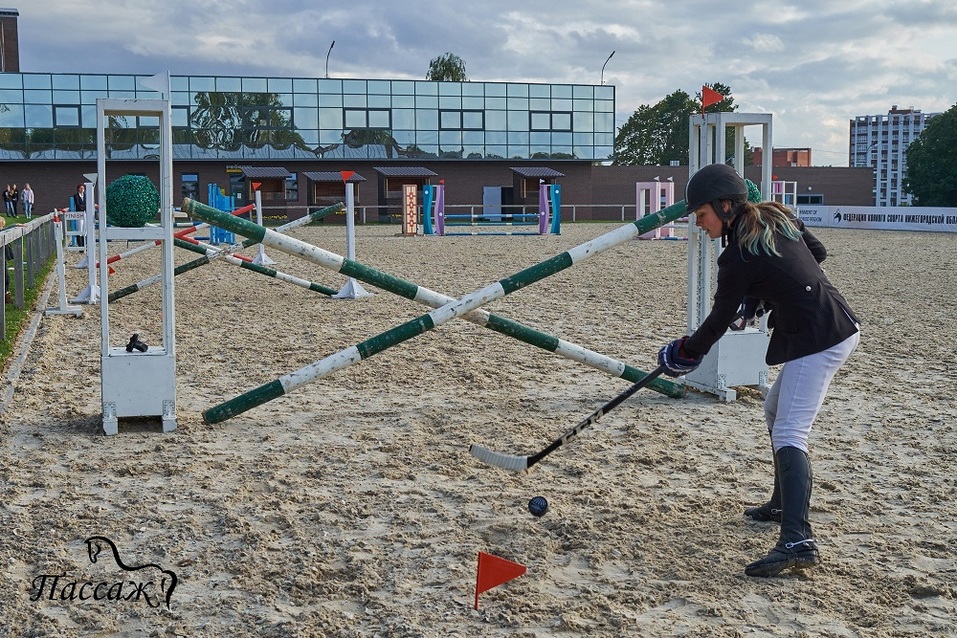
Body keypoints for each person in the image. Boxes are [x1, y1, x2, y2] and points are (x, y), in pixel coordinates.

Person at [657, 164, 860, 578]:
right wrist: (761, 298)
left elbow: (719, 318)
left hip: (820, 337)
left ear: (725, 206)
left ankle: (798, 540)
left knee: (790, 431)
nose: (699, 224)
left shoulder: (738, 255)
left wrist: (685, 353)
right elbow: (816, 253)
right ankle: (782, 505)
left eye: (701, 215)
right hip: (832, 324)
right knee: (773, 410)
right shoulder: (776, 217)